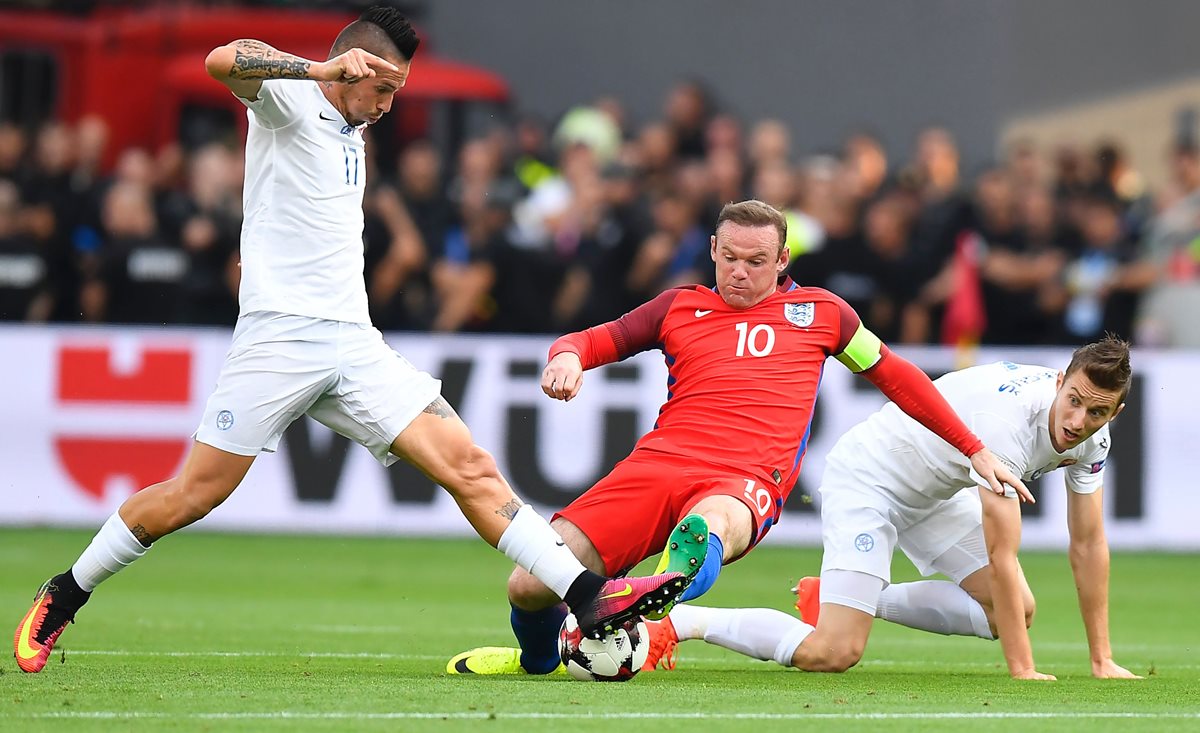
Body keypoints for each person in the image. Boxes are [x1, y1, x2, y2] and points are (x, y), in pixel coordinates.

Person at [12, 6, 688, 675]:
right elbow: (225, 57)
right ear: (352, 68)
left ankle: (587, 598)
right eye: (385, 88)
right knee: (192, 495)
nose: (391, 104)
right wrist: (318, 67)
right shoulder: (288, 102)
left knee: (470, 466)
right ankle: (65, 591)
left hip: (354, 345)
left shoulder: (353, 133)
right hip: (277, 344)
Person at [447, 199, 1026, 675]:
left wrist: (974, 447)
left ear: (783, 260)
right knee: (528, 584)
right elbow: (593, 338)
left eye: (755, 260)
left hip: (742, 481)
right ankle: (541, 660)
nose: (740, 272)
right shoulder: (677, 308)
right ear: (713, 253)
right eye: (729, 258)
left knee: (707, 527)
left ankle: (645, 602)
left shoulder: (822, 315)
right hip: (656, 467)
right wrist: (566, 357)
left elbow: (898, 378)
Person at [641, 336, 1142, 681]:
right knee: (834, 652)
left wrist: (1102, 658)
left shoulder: (1093, 440)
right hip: (870, 479)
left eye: (1097, 411)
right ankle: (681, 623)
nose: (1079, 421)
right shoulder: (1005, 422)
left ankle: (842, 598)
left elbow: (1089, 543)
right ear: (1059, 381)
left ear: (1115, 412)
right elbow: (1003, 552)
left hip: (936, 493)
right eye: (1074, 400)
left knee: (1013, 612)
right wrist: (1022, 669)